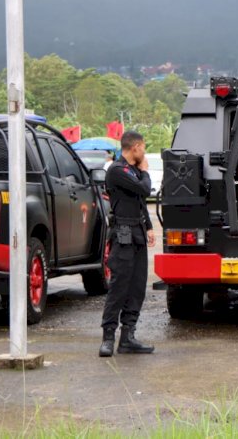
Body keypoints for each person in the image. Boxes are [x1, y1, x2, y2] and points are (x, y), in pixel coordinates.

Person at [99, 131, 156, 357]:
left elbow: (140, 202)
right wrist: (145, 171)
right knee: (119, 285)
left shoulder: (131, 171)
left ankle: (128, 336)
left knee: (137, 286)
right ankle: (108, 337)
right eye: (142, 147)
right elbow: (144, 189)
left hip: (138, 231)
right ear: (135, 147)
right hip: (123, 232)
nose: (143, 152)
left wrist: (149, 226)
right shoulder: (117, 170)